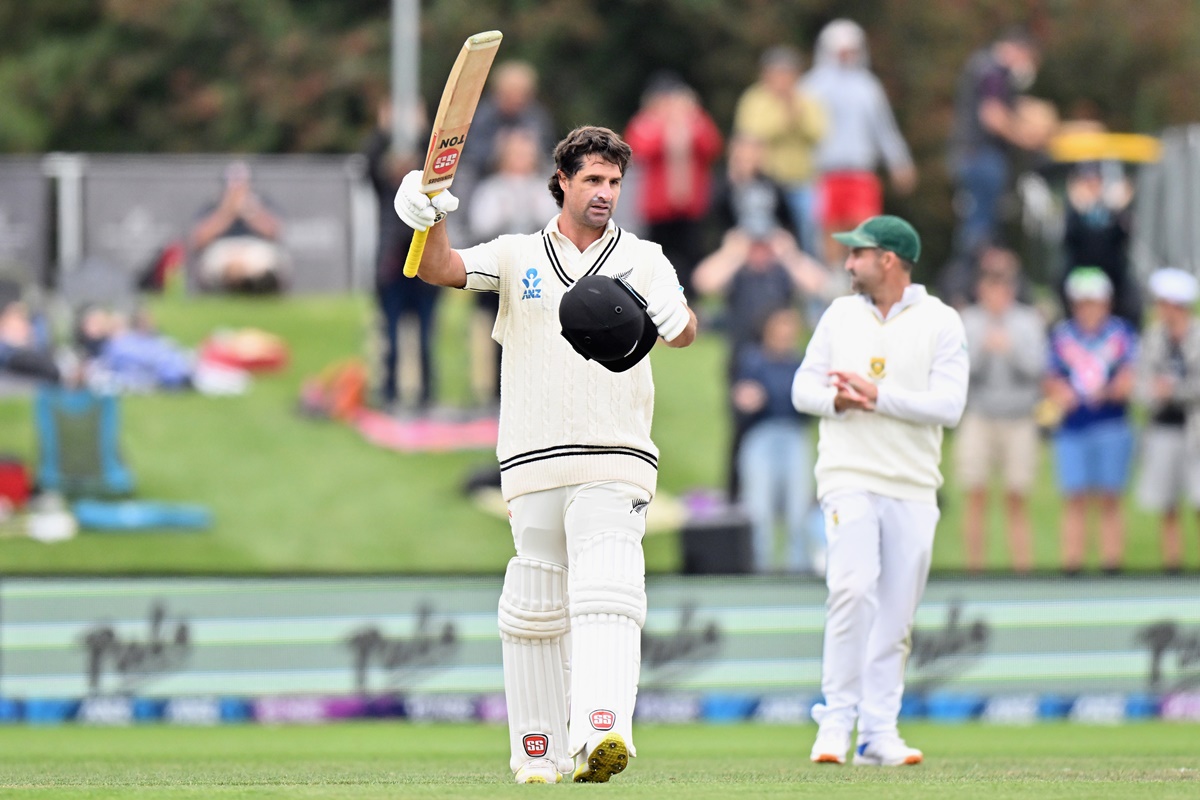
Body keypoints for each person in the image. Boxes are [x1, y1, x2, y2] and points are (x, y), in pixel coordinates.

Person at [393, 125, 697, 784]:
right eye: (592, 180)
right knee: (534, 604)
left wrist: (673, 314)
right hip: (531, 460)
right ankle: (541, 754)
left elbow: (684, 333)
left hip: (614, 455)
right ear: (560, 181)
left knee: (607, 584)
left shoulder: (644, 257)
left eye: (614, 182)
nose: (604, 193)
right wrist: (426, 213)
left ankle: (601, 732)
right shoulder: (517, 254)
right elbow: (437, 267)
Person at [791, 215, 968, 766]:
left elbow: (949, 406)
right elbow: (803, 386)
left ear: (888, 260)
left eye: (857, 254)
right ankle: (835, 722)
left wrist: (877, 395)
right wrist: (837, 401)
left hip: (914, 485)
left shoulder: (942, 321)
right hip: (848, 476)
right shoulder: (840, 314)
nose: (847, 264)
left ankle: (878, 732)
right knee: (850, 587)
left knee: (895, 615)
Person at [692, 223, 827, 500]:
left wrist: (789, 254)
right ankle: (737, 494)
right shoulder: (738, 271)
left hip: (782, 365)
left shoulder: (782, 272)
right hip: (744, 363)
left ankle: (788, 493)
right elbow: (703, 282)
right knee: (741, 430)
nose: (761, 252)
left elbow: (819, 284)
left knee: (791, 424)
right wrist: (733, 252)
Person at [955, 248, 1046, 573]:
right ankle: (975, 571)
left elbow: (1036, 369)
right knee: (975, 494)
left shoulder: (1027, 320)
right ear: (982, 289)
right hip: (980, 417)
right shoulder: (969, 321)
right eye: (991, 285)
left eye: (1002, 286)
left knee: (1016, 497)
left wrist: (1010, 348)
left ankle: (1022, 571)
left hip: (1019, 419)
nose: (997, 293)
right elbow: (963, 370)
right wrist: (983, 345)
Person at [1044, 267, 1137, 575]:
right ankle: (1073, 563)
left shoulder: (1121, 334)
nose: (1088, 308)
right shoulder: (1062, 336)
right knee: (1075, 497)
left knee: (1111, 496)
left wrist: (1113, 390)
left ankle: (1112, 562)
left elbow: (1131, 375)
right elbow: (1050, 378)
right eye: (1082, 302)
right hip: (1073, 428)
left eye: (1094, 301)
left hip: (1111, 424)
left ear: (1106, 302)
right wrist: (1061, 392)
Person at [803, 19, 917, 266]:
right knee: (829, 234)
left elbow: (884, 129)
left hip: (860, 172)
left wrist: (900, 162)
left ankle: (863, 282)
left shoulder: (867, 86)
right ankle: (830, 285)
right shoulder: (812, 86)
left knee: (866, 232)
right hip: (826, 173)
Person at [466, 128, 560, 407]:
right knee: (496, 334)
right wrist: (503, 212)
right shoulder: (491, 188)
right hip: (499, 273)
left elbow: (554, 223)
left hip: (534, 273)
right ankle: (495, 393)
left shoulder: (543, 188)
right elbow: (480, 224)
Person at [362, 100, 441, 409]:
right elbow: (369, 165)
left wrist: (424, 134)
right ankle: (389, 391)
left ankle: (426, 395)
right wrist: (384, 132)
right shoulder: (385, 188)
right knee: (391, 338)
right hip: (392, 267)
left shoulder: (430, 188)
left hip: (425, 268)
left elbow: (442, 167)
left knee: (424, 339)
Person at [732, 305, 819, 574]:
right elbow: (741, 400)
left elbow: (807, 407)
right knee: (759, 512)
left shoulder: (803, 364)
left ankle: (797, 576)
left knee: (798, 512)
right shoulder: (752, 360)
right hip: (761, 437)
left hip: (794, 437)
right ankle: (761, 574)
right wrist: (747, 400)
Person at [623, 71, 724, 299]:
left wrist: (689, 121)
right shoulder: (645, 123)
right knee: (657, 254)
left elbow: (712, 146)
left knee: (690, 253)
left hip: (690, 204)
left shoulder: (695, 121)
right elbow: (640, 149)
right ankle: (655, 298)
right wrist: (668, 128)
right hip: (658, 206)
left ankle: (690, 300)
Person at [947, 28, 1043, 261]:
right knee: (981, 225)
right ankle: (969, 282)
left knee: (979, 221)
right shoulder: (993, 71)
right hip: (981, 155)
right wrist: (1025, 138)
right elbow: (993, 116)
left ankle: (972, 282)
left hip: (972, 154)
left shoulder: (982, 66)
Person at [1134, 267, 1200, 574]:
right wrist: (1153, 392)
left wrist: (1174, 390)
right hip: (1162, 428)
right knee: (1167, 504)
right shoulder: (1153, 337)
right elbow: (1141, 383)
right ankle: (1172, 567)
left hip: (1194, 431)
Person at [733, 45, 827, 257]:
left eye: (787, 73)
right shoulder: (755, 99)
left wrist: (794, 111)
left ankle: (812, 287)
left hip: (801, 180)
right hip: (766, 185)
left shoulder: (808, 99)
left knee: (809, 234)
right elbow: (752, 135)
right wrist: (785, 119)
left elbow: (818, 133)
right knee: (765, 237)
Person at [189, 161, 290, 293]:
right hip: (223, 248)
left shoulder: (262, 201)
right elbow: (198, 240)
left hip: (254, 246)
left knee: (264, 260)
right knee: (218, 262)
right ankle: (236, 286)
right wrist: (226, 213)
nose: (237, 188)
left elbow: (274, 232)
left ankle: (254, 286)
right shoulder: (213, 204)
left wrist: (251, 211)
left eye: (241, 183)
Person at [1060, 162, 1139, 327]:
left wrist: (1120, 210)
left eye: (1095, 180)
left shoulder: (1113, 209)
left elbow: (1124, 237)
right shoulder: (1074, 210)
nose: (1092, 186)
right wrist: (1077, 209)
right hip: (1079, 273)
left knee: (1131, 301)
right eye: (1087, 181)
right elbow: (1068, 239)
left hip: (1111, 277)